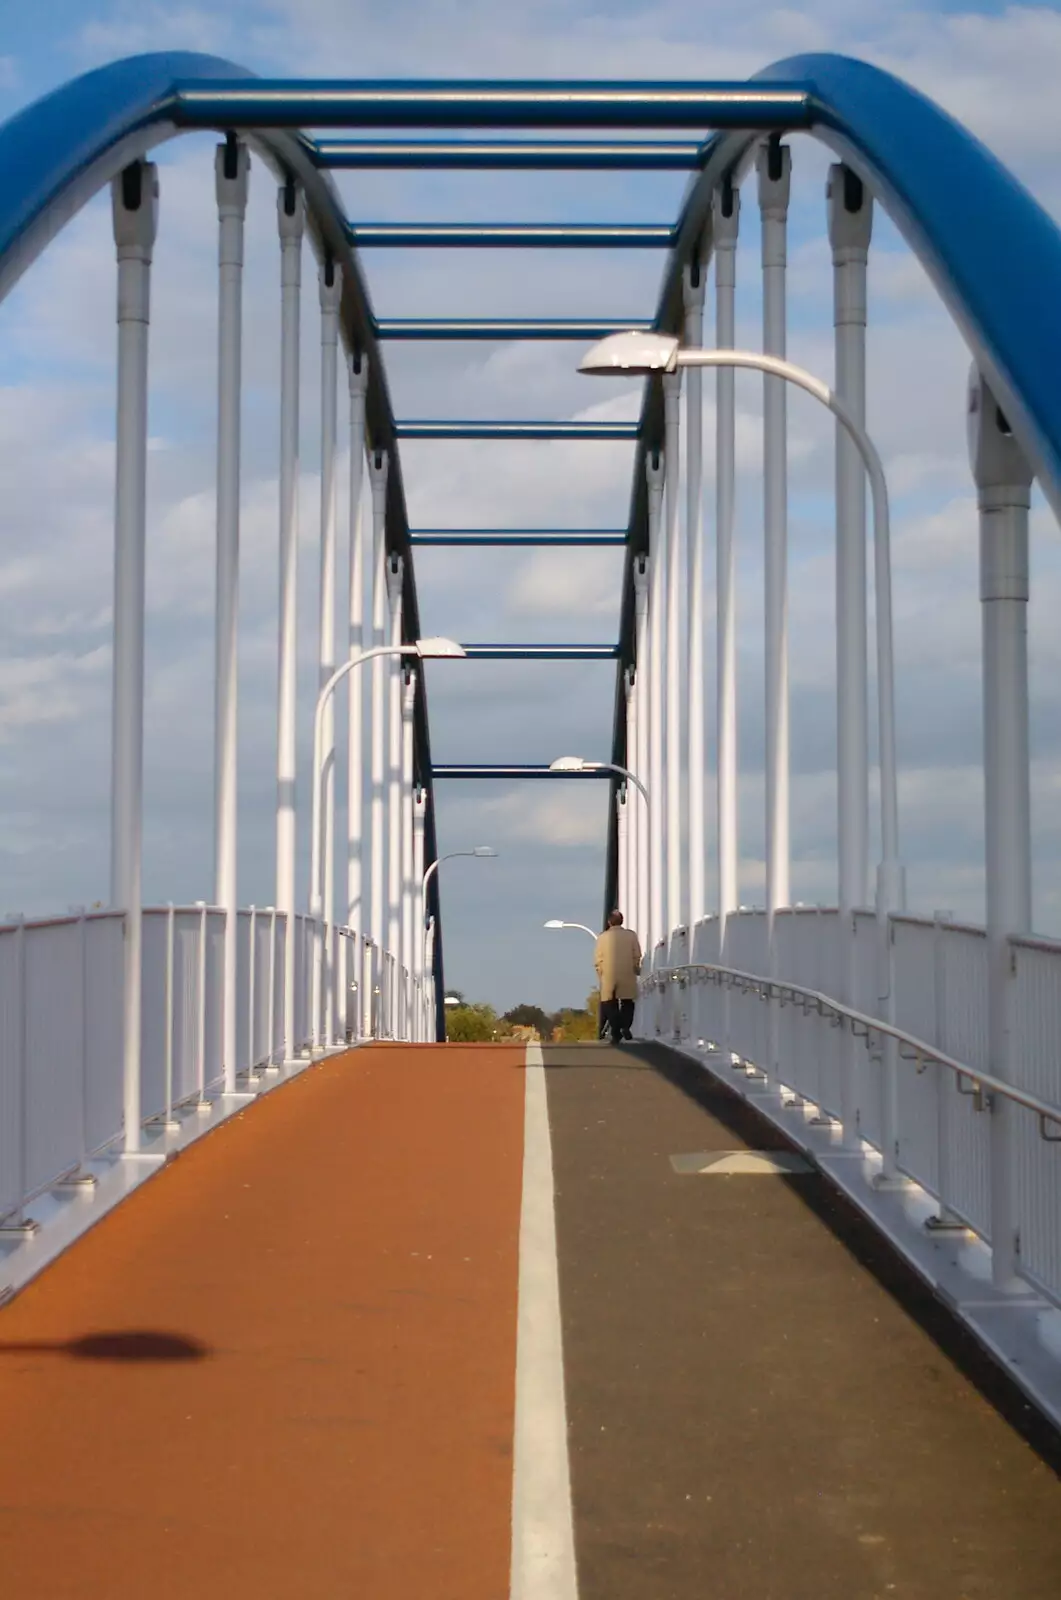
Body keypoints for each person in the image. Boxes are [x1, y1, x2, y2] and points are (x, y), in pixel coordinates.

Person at [594, 910, 642, 1044]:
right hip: (627, 972)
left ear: (609, 922)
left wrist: (600, 974)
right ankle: (625, 1026)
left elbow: (598, 959)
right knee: (627, 1002)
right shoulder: (631, 936)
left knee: (609, 1003)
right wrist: (635, 967)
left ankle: (616, 1029)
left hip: (608, 974)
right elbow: (637, 954)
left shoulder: (602, 937)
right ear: (622, 921)